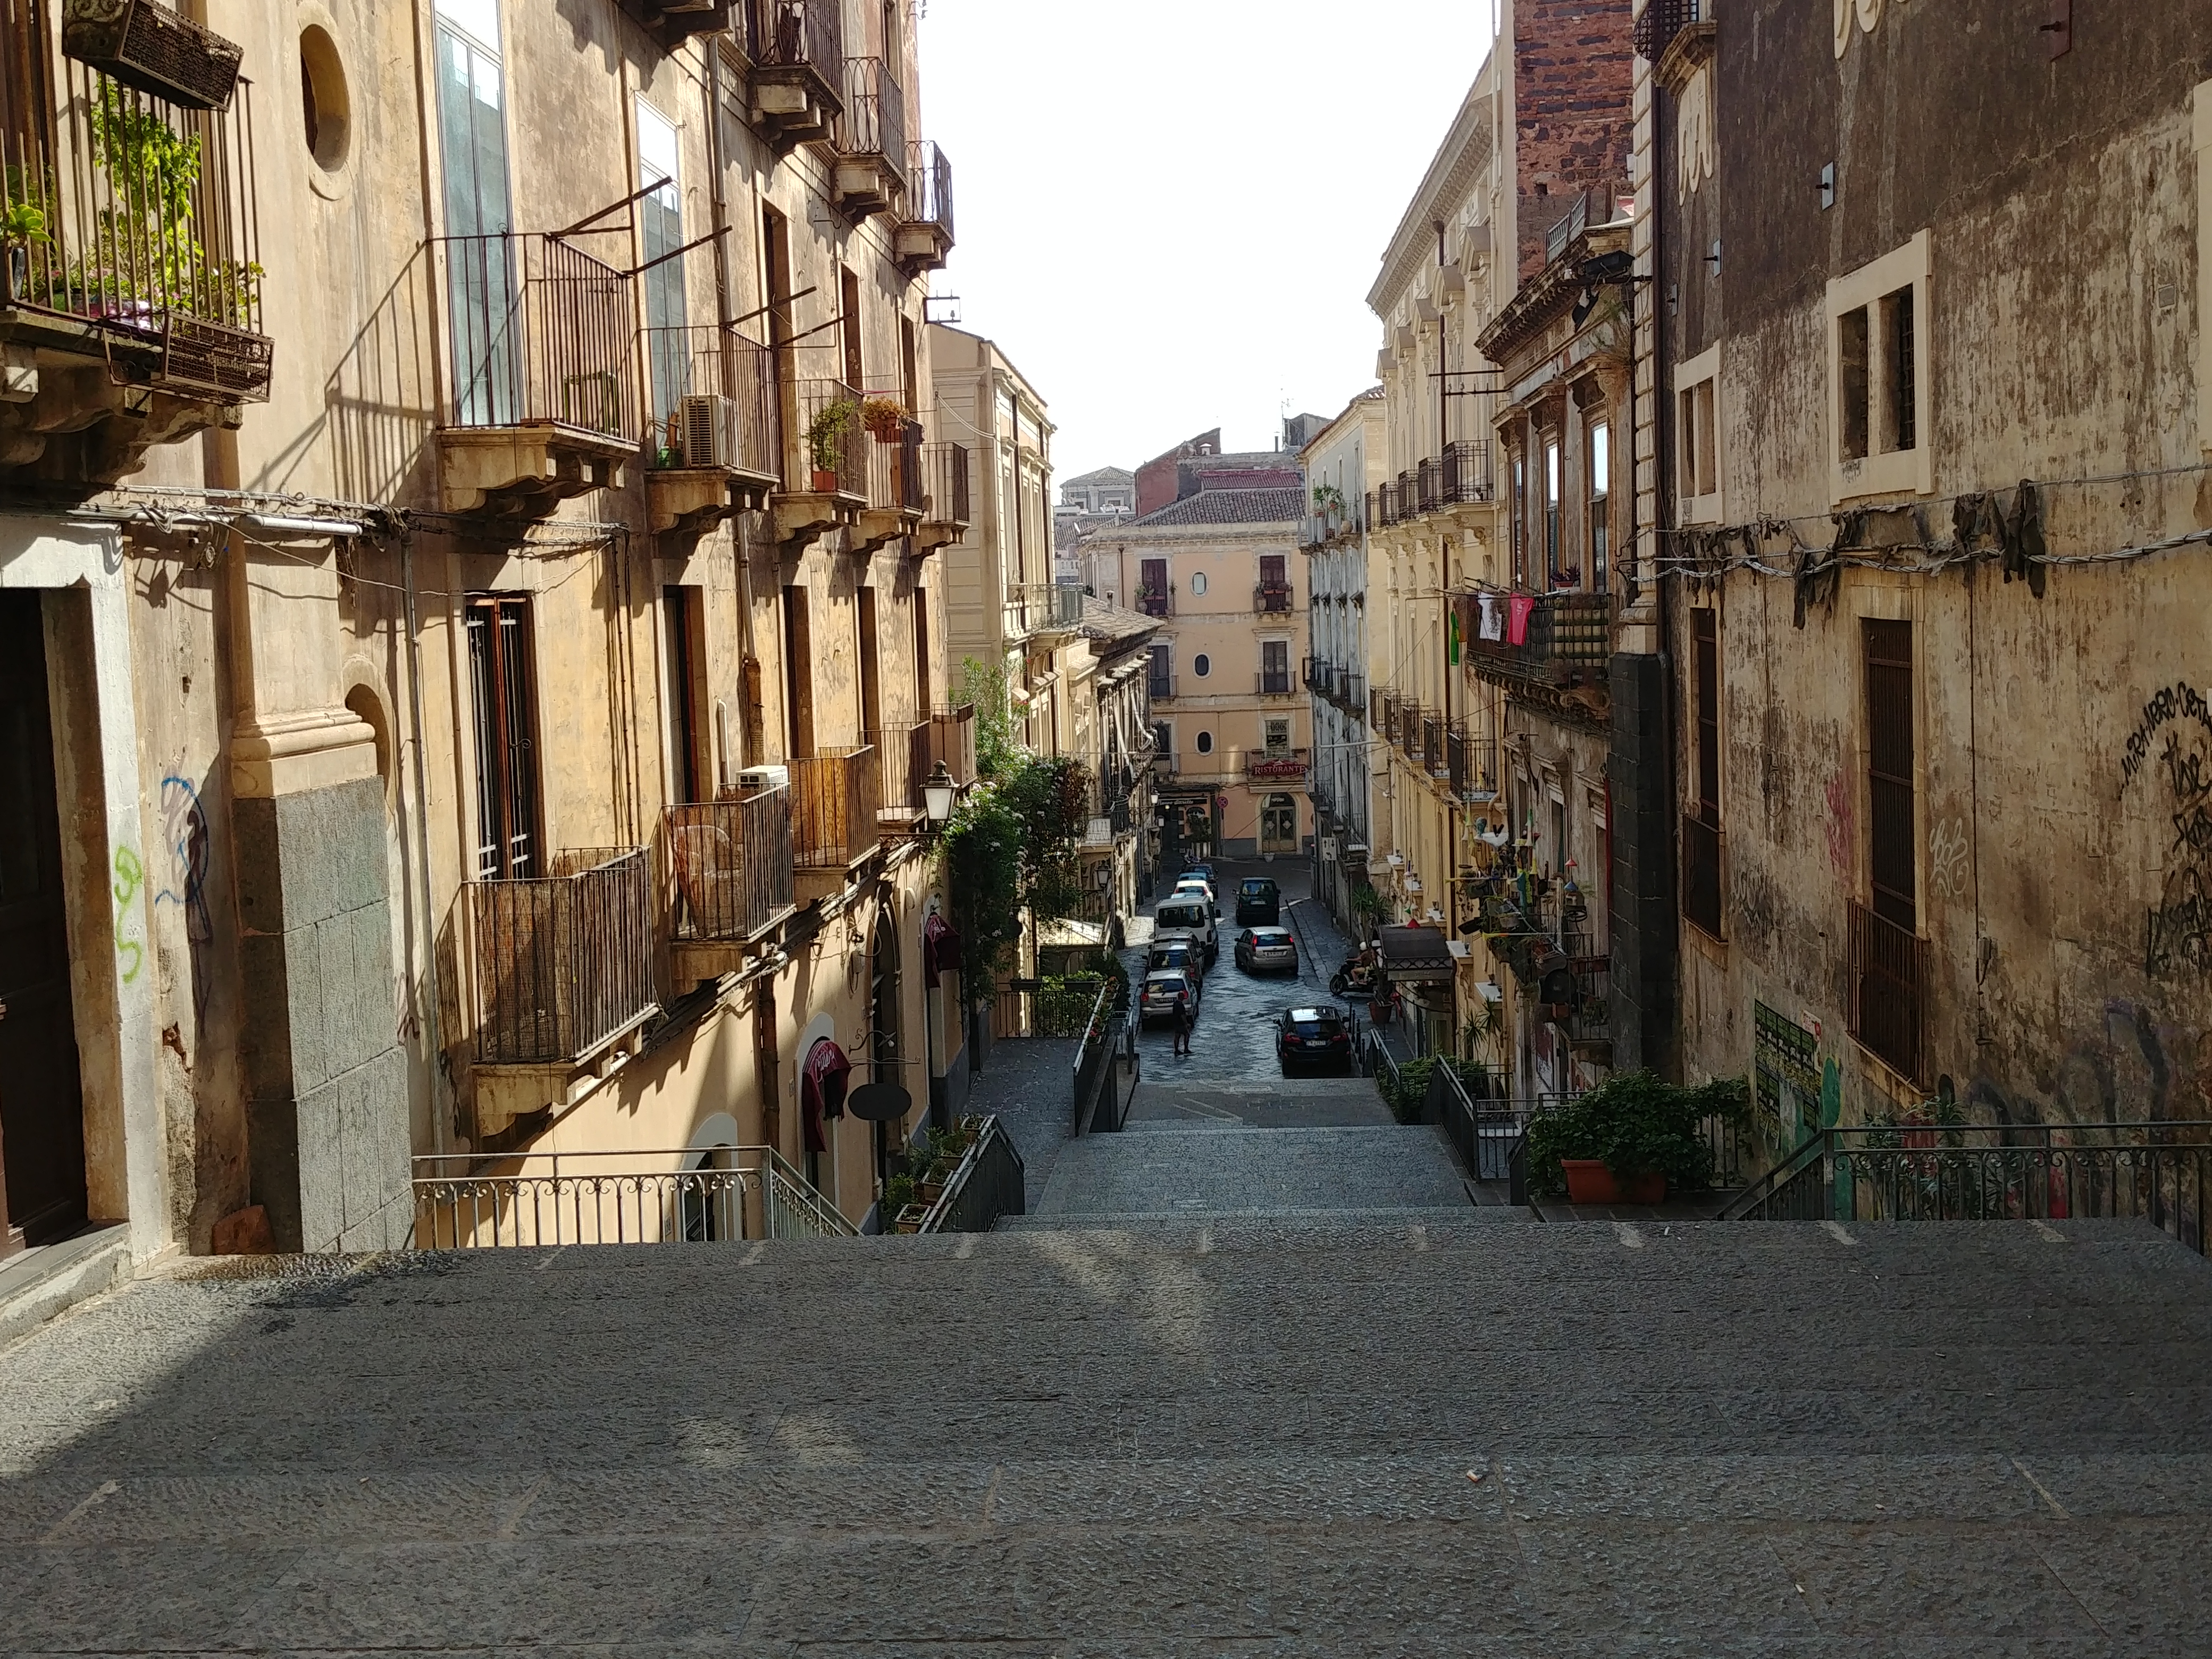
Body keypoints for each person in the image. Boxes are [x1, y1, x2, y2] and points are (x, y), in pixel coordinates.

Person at [1171, 988, 1194, 1057]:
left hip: (1176, 1023)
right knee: (1187, 1035)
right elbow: (1182, 1016)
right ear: (1182, 997)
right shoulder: (1181, 1005)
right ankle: (1186, 1049)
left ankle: (1176, 1050)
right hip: (1181, 1023)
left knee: (1177, 1036)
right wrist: (1186, 1024)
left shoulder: (1175, 1004)